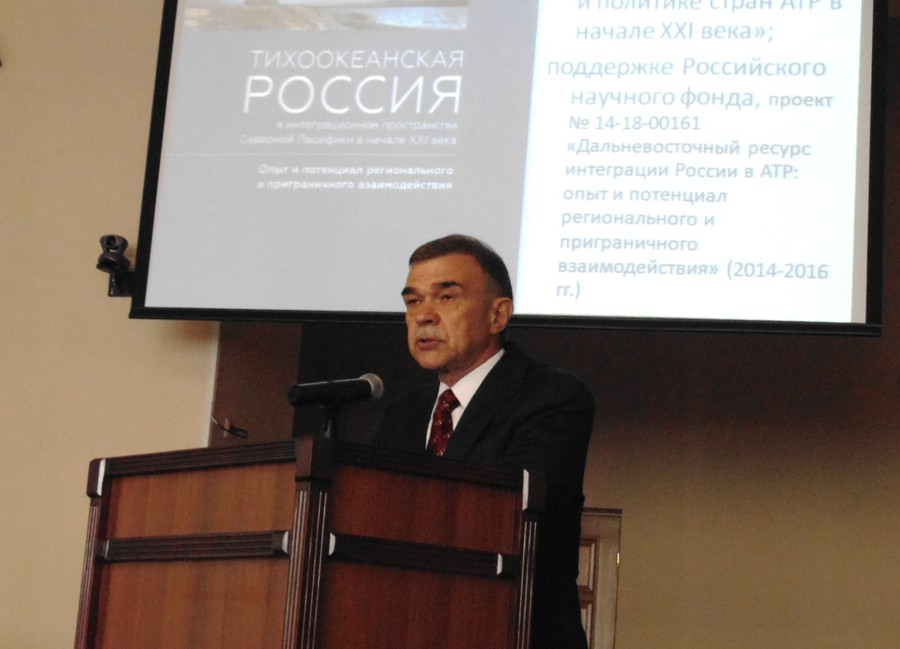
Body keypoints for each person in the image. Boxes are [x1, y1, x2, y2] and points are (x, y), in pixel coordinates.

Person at [375, 234, 595, 649]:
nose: (423, 316)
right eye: (413, 301)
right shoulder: (402, 414)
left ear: (498, 315)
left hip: (514, 632)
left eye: (446, 298)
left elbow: (510, 513)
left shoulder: (552, 396)